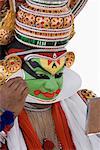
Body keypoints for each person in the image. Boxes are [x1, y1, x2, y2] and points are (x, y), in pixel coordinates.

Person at [0, 0, 100, 150]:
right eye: (41, 75)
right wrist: (5, 113)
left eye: (58, 74)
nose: (53, 86)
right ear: (12, 65)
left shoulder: (85, 105)